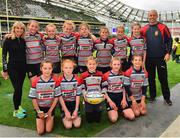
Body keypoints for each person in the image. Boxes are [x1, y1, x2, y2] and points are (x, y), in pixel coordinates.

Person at [141, 10, 173, 105]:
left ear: (157, 16)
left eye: (153, 15)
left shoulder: (163, 27)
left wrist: (168, 53)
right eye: (150, 15)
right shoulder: (144, 28)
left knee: (163, 78)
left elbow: (169, 40)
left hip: (161, 58)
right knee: (150, 78)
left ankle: (167, 98)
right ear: (148, 16)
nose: (152, 17)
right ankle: (152, 96)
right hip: (149, 58)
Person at [1, 21, 27, 119]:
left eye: (21, 29)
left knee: (19, 89)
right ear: (14, 29)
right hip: (12, 68)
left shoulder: (23, 40)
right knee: (17, 88)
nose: (19, 30)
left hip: (23, 68)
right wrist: (5, 69)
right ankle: (15, 111)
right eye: (17, 28)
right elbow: (4, 55)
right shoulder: (8, 39)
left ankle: (19, 106)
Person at [29, 60, 61, 135]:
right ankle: (42, 118)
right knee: (40, 132)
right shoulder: (35, 81)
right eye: (45, 68)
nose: (47, 71)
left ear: (52, 69)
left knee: (48, 130)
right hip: (40, 108)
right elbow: (33, 98)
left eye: (49, 68)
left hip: (50, 107)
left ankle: (51, 117)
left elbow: (56, 97)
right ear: (41, 69)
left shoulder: (55, 81)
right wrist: (39, 111)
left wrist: (50, 111)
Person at [102, 57, 135, 123]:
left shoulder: (123, 74)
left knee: (132, 117)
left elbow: (124, 88)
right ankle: (116, 110)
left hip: (121, 96)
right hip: (111, 97)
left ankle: (121, 110)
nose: (116, 66)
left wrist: (124, 99)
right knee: (113, 119)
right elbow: (104, 90)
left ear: (120, 65)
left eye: (118, 64)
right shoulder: (106, 75)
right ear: (111, 65)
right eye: (114, 64)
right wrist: (109, 101)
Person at [59, 59, 81, 129]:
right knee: (68, 126)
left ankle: (75, 113)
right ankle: (64, 114)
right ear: (62, 68)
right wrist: (66, 111)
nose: (68, 70)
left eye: (70, 68)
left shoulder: (77, 79)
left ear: (73, 68)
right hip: (64, 104)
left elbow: (78, 95)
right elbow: (59, 97)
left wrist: (76, 109)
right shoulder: (59, 80)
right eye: (66, 68)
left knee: (77, 125)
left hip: (74, 103)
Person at [80, 56, 104, 123]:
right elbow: (82, 86)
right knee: (89, 119)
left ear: (97, 64)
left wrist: (103, 93)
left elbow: (104, 85)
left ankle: (97, 112)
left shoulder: (100, 74)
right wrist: (84, 94)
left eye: (94, 64)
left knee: (97, 119)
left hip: (98, 97)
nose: (92, 66)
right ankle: (89, 111)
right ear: (86, 64)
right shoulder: (83, 75)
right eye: (90, 64)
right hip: (88, 97)